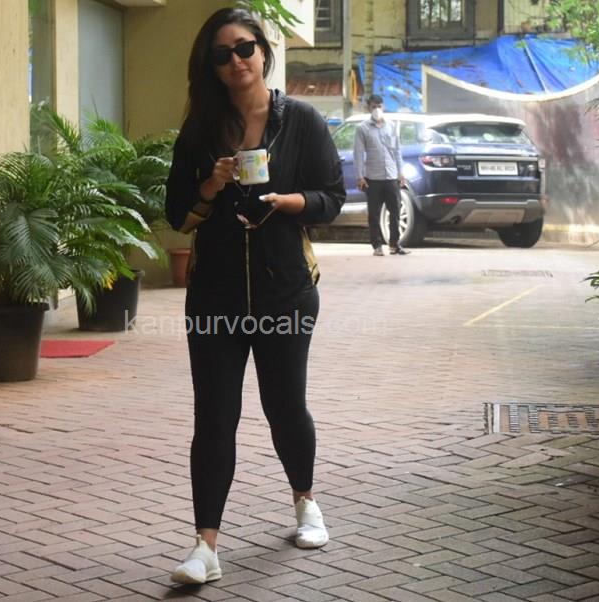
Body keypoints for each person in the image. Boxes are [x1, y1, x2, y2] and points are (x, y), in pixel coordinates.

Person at [164, 7, 346, 586]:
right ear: (211, 66)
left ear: (263, 52)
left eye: (244, 48)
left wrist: (290, 203)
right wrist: (211, 185)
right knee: (214, 417)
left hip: (284, 292)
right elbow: (177, 216)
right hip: (215, 299)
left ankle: (306, 503)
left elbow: (333, 196)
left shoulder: (302, 121)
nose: (236, 61)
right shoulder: (200, 130)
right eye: (222, 54)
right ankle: (205, 547)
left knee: (284, 406)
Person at [353, 94, 410, 256]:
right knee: (374, 214)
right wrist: (360, 176)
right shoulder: (362, 128)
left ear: (383, 107)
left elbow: (397, 151)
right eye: (373, 106)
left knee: (395, 212)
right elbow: (358, 153)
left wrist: (400, 172)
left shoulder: (391, 126)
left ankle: (394, 244)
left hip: (391, 176)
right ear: (368, 108)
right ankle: (377, 245)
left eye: (379, 106)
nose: (377, 109)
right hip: (373, 178)